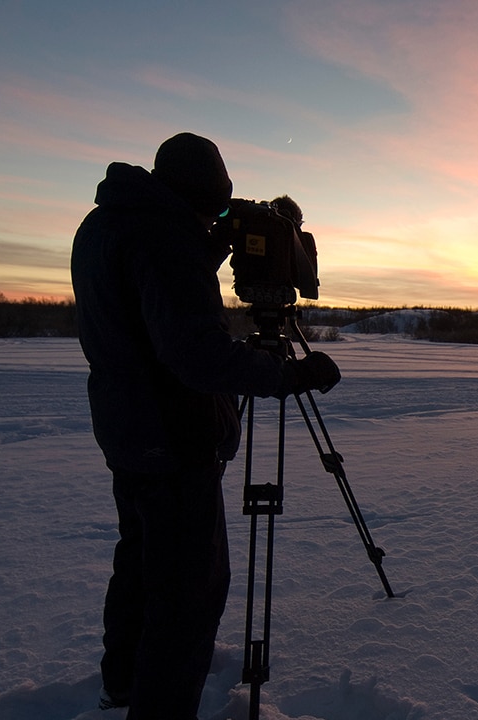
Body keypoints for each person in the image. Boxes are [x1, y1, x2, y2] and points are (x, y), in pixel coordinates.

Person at [71, 132, 340, 718]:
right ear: (195, 197)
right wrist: (290, 375)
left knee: (141, 562)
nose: (218, 220)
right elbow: (197, 354)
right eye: (217, 209)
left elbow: (149, 303)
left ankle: (121, 684)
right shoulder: (163, 240)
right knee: (189, 595)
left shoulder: (107, 223)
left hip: (127, 430)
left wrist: (207, 242)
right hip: (174, 437)